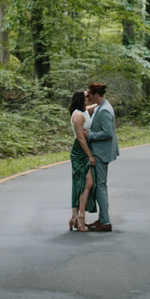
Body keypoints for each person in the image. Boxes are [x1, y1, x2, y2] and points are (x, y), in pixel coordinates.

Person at [83, 82, 119, 231]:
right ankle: (102, 219)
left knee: (100, 187)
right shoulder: (101, 106)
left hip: (101, 153)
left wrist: (90, 135)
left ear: (96, 95)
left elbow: (107, 133)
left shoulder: (104, 110)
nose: (89, 98)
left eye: (90, 95)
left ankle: (105, 221)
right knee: (99, 186)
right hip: (100, 152)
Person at [68, 90, 97, 231]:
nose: (89, 98)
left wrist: (99, 97)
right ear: (80, 99)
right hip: (80, 150)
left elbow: (96, 104)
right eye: (87, 96)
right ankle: (80, 218)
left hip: (84, 149)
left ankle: (75, 217)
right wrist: (90, 156)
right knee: (88, 183)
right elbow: (80, 137)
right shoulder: (78, 115)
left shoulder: (84, 110)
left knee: (80, 183)